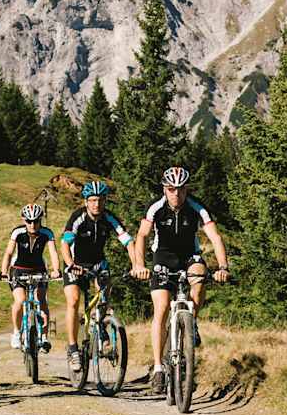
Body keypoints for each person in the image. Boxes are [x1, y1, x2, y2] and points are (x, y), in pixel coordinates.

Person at [130, 167, 230, 395]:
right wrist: (138, 265)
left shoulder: (197, 207)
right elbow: (142, 236)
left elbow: (215, 237)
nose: (176, 194)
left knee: (200, 276)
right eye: (171, 189)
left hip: (188, 256)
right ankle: (157, 368)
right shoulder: (156, 208)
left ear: (187, 189)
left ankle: (191, 322)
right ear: (164, 189)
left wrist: (223, 267)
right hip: (163, 256)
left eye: (181, 189)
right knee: (162, 307)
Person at [60, 180, 138, 374]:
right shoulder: (78, 217)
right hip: (75, 264)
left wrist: (136, 264)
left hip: (97, 264)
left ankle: (101, 328)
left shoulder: (109, 218)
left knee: (104, 299)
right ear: (86, 201)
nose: (97, 204)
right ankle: (72, 349)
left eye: (101, 200)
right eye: (93, 200)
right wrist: (70, 264)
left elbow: (128, 241)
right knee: (74, 300)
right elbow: (64, 244)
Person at [1, 203, 62, 351]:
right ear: (24, 220)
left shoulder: (47, 233)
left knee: (41, 301)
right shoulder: (17, 232)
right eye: (29, 221)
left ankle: (44, 337)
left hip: (39, 269)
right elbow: (9, 252)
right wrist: (4, 271)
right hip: (19, 270)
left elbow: (53, 252)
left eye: (36, 221)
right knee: (20, 300)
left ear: (41, 220)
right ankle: (16, 332)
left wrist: (56, 270)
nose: (33, 224)